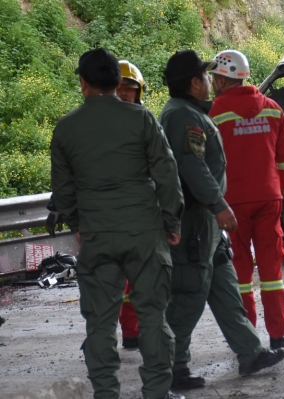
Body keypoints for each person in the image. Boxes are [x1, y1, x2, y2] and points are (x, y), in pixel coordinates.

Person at [51, 48, 185, 399]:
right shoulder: (142, 119)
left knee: (99, 322)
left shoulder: (66, 128)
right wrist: (171, 221)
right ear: (117, 81)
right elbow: (167, 175)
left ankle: (106, 393)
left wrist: (79, 225)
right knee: (153, 316)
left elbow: (63, 191)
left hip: (97, 236)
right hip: (145, 233)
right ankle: (157, 391)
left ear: (83, 83)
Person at [159, 49, 284, 390]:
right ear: (193, 83)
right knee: (188, 296)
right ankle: (171, 368)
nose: (209, 81)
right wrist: (219, 205)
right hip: (197, 220)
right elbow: (192, 166)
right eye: (204, 76)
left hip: (208, 222)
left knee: (226, 288)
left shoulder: (194, 112)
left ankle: (251, 352)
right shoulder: (183, 116)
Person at [208, 49, 284, 350]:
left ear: (224, 79)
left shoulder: (215, 113)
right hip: (268, 198)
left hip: (231, 204)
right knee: (272, 271)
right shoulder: (273, 109)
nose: (212, 81)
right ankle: (279, 334)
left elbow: (206, 161)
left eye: (215, 77)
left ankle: (249, 339)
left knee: (240, 274)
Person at [116, 59, 147, 349]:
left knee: (137, 278)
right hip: (108, 214)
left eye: (130, 88)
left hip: (138, 212)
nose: (125, 93)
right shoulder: (96, 124)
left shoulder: (145, 123)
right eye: (120, 88)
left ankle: (132, 332)